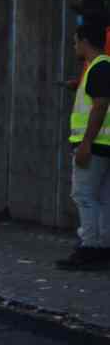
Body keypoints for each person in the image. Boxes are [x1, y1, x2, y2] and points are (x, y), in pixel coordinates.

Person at [59, 22, 110, 271]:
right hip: (106, 145)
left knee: (84, 196)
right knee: (103, 198)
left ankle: (88, 247)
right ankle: (102, 246)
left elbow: (100, 105)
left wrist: (86, 144)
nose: (74, 46)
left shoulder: (99, 68)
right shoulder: (102, 68)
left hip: (95, 145)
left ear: (85, 40)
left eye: (75, 41)